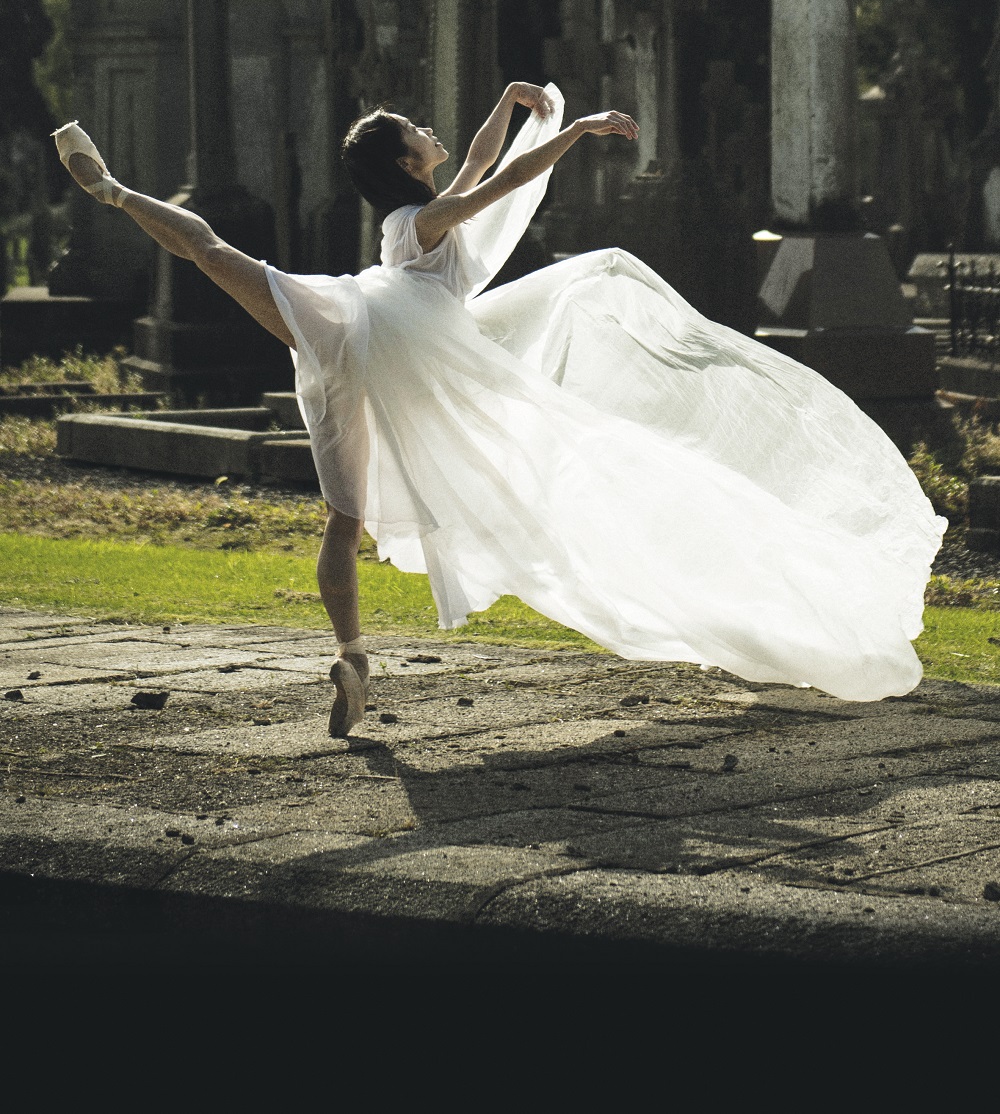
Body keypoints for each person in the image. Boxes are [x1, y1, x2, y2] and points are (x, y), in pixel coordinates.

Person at [53, 81, 945, 734]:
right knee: (228, 267)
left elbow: (478, 162)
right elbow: (495, 185)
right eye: (420, 131)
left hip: (352, 344)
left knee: (334, 505)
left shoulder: (409, 222)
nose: (436, 133)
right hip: (392, 342)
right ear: (408, 162)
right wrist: (580, 127)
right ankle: (111, 189)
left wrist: (512, 107)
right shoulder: (427, 222)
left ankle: (354, 657)